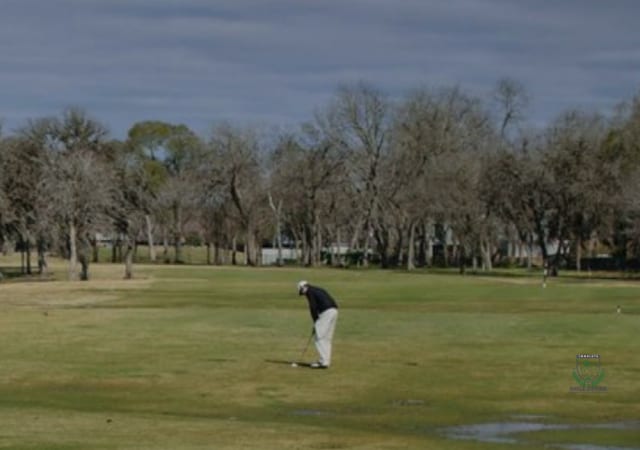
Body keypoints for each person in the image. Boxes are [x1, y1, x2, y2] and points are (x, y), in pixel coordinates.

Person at [297, 280, 339, 369]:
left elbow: (313, 307)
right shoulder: (317, 289)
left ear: (304, 287)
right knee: (326, 338)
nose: (304, 294)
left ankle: (324, 362)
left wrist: (315, 321)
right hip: (334, 311)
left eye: (302, 291)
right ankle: (325, 360)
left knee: (318, 337)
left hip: (326, 312)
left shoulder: (309, 291)